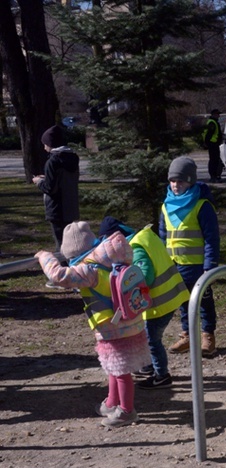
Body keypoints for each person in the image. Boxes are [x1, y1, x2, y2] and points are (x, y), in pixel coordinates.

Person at [35, 222, 149, 427]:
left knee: (121, 371)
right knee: (113, 367)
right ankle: (112, 402)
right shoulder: (111, 259)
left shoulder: (89, 270)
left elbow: (57, 276)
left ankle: (126, 411)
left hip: (112, 327)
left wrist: (44, 256)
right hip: (130, 320)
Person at [98, 217, 190, 390]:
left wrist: (126, 288)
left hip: (160, 303)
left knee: (152, 340)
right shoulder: (144, 237)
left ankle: (162, 375)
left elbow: (144, 276)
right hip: (169, 297)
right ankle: (148, 367)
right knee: (150, 336)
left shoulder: (136, 247)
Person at [160, 157, 220, 357]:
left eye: (181, 181)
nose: (176, 185)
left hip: (197, 266)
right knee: (183, 301)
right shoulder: (166, 206)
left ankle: (207, 335)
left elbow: (212, 238)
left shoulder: (202, 205)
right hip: (175, 264)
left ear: (191, 181)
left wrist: (209, 264)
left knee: (204, 301)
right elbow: (163, 236)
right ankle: (187, 335)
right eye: (173, 181)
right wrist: (162, 261)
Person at [32, 125, 80, 281]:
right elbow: (62, 182)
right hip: (71, 207)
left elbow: (50, 189)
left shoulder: (53, 161)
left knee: (61, 245)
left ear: (50, 143)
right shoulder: (72, 158)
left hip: (57, 209)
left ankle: (64, 278)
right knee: (71, 243)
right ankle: (76, 272)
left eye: (45, 143)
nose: (44, 146)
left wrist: (39, 182)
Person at [202, 109, 223, 182]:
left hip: (213, 143)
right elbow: (209, 134)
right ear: (213, 114)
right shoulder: (212, 123)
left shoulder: (212, 122)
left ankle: (214, 176)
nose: (219, 116)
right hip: (213, 144)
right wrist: (207, 143)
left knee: (214, 160)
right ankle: (213, 176)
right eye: (217, 114)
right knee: (214, 160)